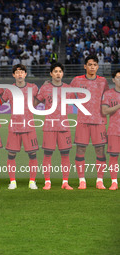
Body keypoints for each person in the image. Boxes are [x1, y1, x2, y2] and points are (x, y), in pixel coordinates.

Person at [70, 55, 108, 189]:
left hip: (99, 121)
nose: (92, 67)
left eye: (94, 65)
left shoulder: (103, 81)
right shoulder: (76, 80)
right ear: (85, 66)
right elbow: (68, 95)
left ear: (97, 67)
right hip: (82, 121)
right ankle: (82, 180)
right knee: (80, 149)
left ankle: (100, 180)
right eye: (90, 64)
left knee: (100, 150)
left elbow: (108, 99)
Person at [34, 63, 73, 190]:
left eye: (60, 71)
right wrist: (39, 90)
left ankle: (65, 182)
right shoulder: (45, 89)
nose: (58, 73)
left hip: (64, 126)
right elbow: (34, 104)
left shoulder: (68, 88)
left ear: (62, 74)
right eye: (55, 71)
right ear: (51, 73)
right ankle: (47, 182)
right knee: (47, 154)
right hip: (50, 126)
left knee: (65, 155)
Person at [2, 64, 39, 189]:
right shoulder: (9, 89)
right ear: (13, 75)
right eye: (17, 72)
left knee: (32, 154)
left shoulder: (33, 88)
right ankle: (12, 181)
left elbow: (41, 98)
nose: (19, 74)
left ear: (25, 74)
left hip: (29, 126)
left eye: (22, 72)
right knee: (11, 155)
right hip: (14, 127)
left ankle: (32, 181)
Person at [101, 69, 120, 190]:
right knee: (113, 157)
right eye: (118, 77)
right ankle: (114, 182)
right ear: (113, 80)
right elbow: (104, 111)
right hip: (114, 130)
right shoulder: (108, 94)